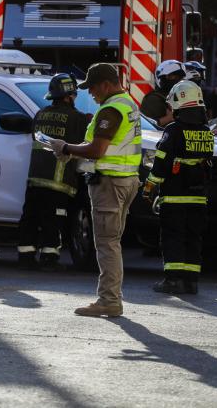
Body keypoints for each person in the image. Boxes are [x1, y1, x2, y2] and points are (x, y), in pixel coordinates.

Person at [47, 63, 141, 317]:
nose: (91, 94)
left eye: (92, 88)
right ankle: (111, 298)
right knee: (113, 242)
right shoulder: (128, 103)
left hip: (110, 183)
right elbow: (108, 149)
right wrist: (74, 153)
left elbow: (98, 150)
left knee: (107, 243)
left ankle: (109, 300)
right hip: (126, 179)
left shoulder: (111, 110)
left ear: (106, 85)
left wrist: (66, 148)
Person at [143, 80, 213, 295]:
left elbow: (162, 161)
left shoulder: (173, 130)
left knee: (173, 237)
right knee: (193, 238)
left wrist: (149, 187)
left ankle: (173, 280)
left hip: (174, 197)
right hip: (198, 197)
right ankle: (191, 282)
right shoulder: (206, 132)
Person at [17, 73, 88, 271]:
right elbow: (86, 142)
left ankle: (25, 257)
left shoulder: (40, 114)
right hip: (58, 181)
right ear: (70, 96)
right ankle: (49, 259)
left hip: (34, 178)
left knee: (30, 217)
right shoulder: (77, 118)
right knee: (54, 219)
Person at [140, 60, 185, 127]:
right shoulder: (153, 99)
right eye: (172, 76)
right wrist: (168, 118)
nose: (176, 79)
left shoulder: (183, 97)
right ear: (161, 78)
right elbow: (145, 127)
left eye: (179, 77)